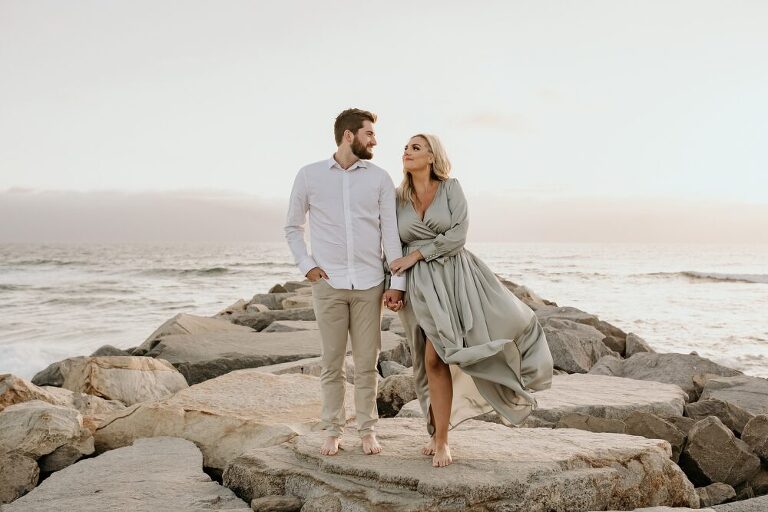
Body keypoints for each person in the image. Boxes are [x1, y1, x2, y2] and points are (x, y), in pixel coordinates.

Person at [388, 134, 554, 467]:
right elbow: (392, 246)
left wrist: (418, 253)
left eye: (415, 147)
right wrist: (394, 285)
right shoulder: (397, 197)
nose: (407, 151)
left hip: (456, 277)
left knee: (443, 355)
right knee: (427, 363)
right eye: (405, 147)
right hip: (420, 288)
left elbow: (458, 234)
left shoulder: (451, 188)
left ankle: (443, 441)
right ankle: (436, 433)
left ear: (432, 156)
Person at [284, 108, 405, 456]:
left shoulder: (380, 178)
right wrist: (307, 266)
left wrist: (396, 281)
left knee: (367, 363)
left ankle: (368, 430)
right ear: (349, 135)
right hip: (329, 285)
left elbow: (390, 234)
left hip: (370, 284)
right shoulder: (309, 176)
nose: (375, 140)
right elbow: (293, 227)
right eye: (369, 134)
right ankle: (332, 430)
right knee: (332, 363)